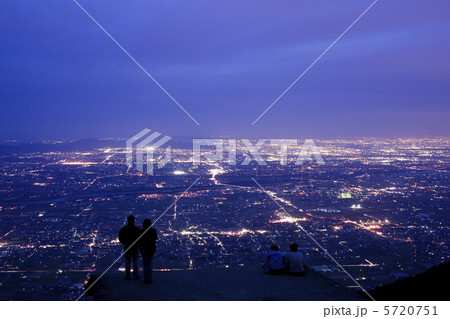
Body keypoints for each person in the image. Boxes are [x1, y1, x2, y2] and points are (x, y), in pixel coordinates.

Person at [118, 215, 141, 280]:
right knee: (135, 261)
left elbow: (120, 237)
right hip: (135, 247)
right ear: (134, 220)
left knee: (127, 261)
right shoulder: (137, 230)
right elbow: (140, 238)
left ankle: (128, 275)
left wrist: (124, 243)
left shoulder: (124, 229)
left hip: (127, 246)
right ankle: (135, 275)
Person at [139, 219, 158, 284]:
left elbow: (140, 240)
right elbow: (155, 238)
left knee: (145, 264)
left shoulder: (141, 231)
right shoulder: (153, 231)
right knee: (150, 264)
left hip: (144, 249)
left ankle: (145, 278)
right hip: (151, 249)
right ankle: (149, 278)